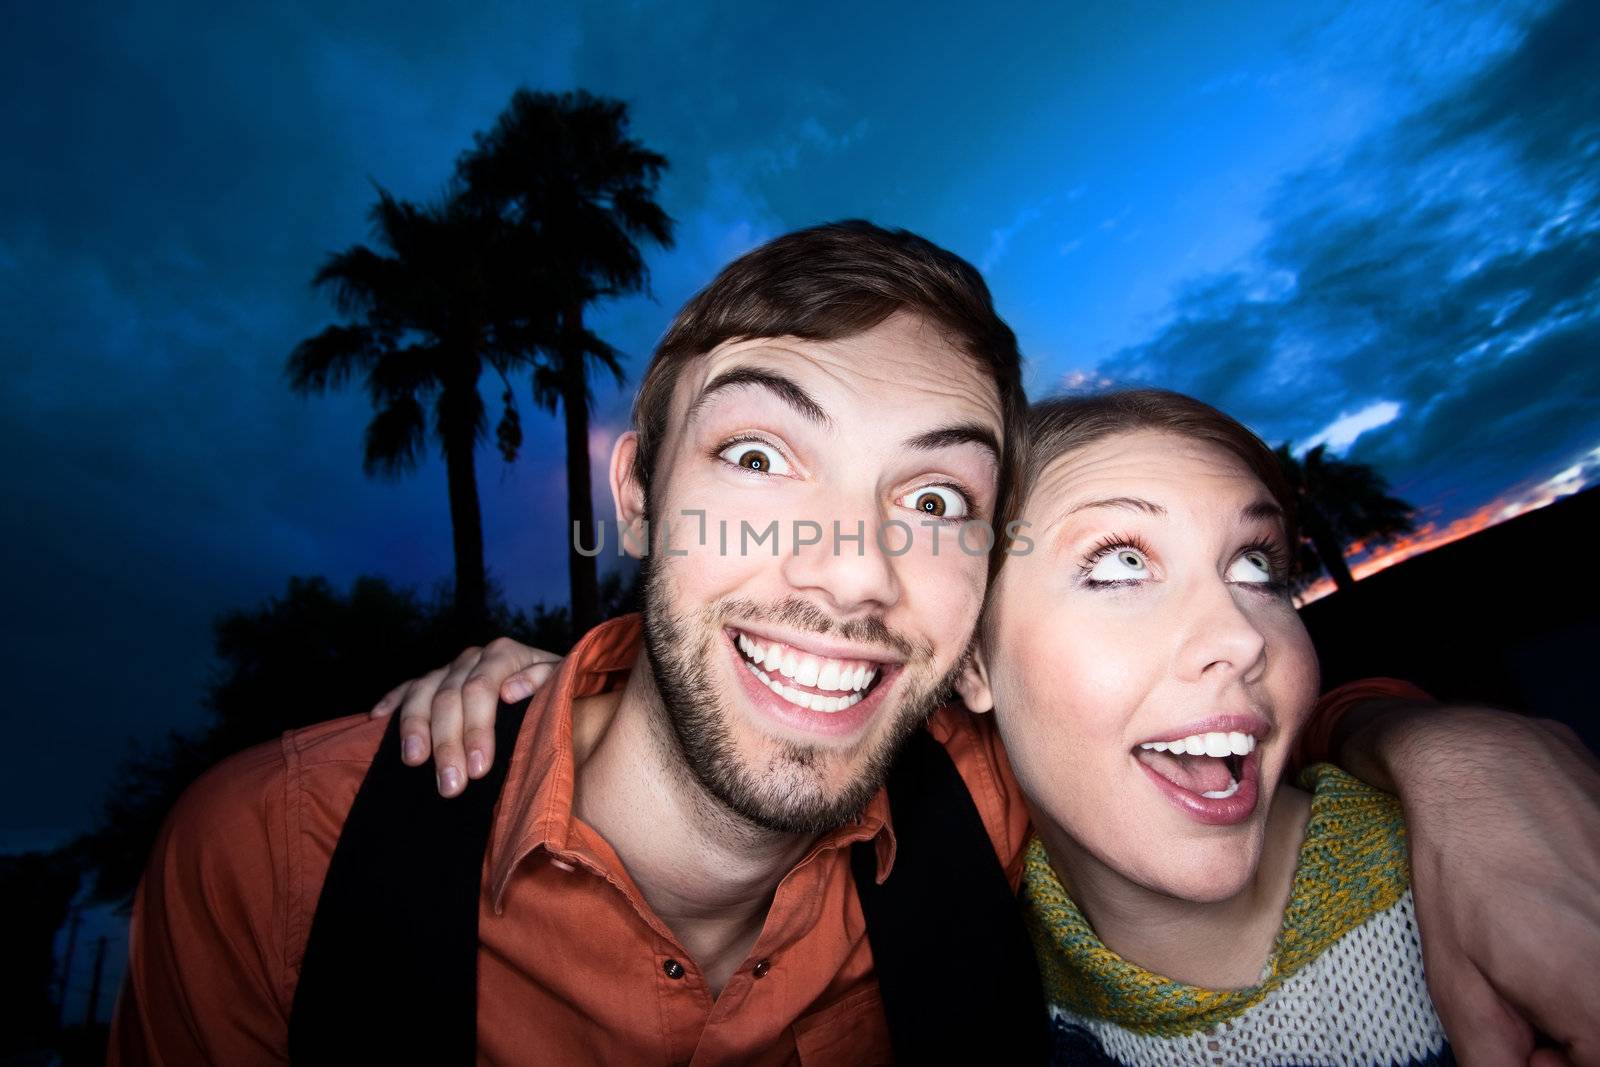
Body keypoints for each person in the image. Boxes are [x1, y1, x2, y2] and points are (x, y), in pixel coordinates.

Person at [113, 222, 1600, 1066]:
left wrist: (1463, 754)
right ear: (638, 489)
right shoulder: (280, 858)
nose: (848, 564)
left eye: (938, 496)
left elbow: (1236, 738)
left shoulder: (993, 798)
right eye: (761, 461)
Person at [954, 389, 1452, 1064]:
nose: (1242, 637)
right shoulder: (959, 999)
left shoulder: (1483, 889)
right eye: (1121, 565)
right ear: (973, 660)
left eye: (1255, 567)